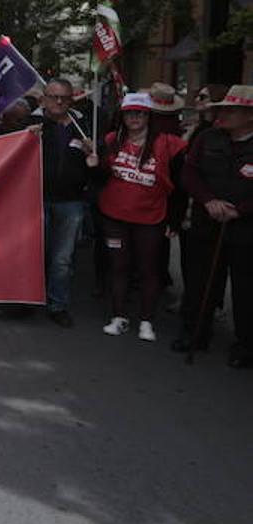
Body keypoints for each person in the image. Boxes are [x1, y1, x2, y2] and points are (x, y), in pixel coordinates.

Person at [173, 85, 253, 365]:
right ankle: (195, 333)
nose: (223, 114)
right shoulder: (207, 138)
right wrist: (208, 201)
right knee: (199, 282)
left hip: (245, 230)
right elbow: (189, 173)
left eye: (232, 110)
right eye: (222, 108)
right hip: (206, 223)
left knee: (245, 290)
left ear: (249, 116)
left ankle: (245, 346)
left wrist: (239, 210)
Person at [96, 93, 186, 342]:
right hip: (114, 216)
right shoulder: (112, 140)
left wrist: (175, 220)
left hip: (151, 218)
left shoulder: (169, 144)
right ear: (122, 116)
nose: (134, 117)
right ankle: (119, 316)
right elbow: (100, 178)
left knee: (148, 269)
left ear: (149, 116)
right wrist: (94, 164)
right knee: (119, 267)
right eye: (130, 113)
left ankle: (146, 320)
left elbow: (180, 186)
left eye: (140, 113)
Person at [30, 77, 96, 327]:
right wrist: (26, 137)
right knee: (36, 252)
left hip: (71, 202)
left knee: (62, 258)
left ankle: (58, 304)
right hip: (37, 200)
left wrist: (93, 155)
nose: (59, 102)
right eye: (54, 97)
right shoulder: (33, 123)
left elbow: (100, 168)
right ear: (44, 99)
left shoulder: (84, 126)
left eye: (64, 98)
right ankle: (31, 299)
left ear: (71, 100)